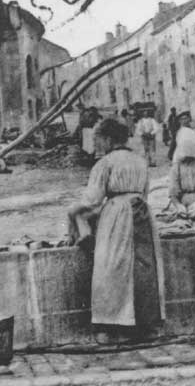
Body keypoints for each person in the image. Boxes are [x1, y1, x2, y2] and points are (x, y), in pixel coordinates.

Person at [67, 118, 165, 344]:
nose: (97, 144)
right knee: (143, 269)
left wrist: (73, 211)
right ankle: (145, 327)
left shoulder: (105, 163)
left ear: (108, 139)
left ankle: (111, 328)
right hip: (142, 213)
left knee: (111, 269)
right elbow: (145, 192)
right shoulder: (140, 161)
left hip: (117, 215)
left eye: (98, 139)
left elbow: (92, 200)